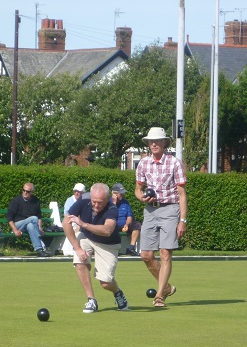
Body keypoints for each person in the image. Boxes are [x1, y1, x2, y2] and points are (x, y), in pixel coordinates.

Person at [135, 127, 187, 308]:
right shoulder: (142, 164)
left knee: (165, 253)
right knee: (146, 255)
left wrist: (183, 220)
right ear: (148, 144)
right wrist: (141, 197)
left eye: (157, 141)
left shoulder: (174, 163)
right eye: (151, 141)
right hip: (150, 210)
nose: (154, 144)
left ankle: (159, 297)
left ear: (165, 143)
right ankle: (166, 287)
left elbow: (182, 194)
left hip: (170, 210)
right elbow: (138, 189)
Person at [62, 183, 129, 313]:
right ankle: (91, 300)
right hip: (87, 237)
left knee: (105, 283)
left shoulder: (112, 209)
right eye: (94, 202)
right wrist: (78, 248)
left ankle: (117, 292)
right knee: (79, 262)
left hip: (108, 244)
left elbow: (107, 230)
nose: (96, 205)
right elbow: (66, 223)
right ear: (90, 197)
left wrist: (83, 224)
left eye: (100, 202)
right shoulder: (83, 201)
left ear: (107, 198)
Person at [6, 182, 52, 257]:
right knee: (33, 218)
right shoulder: (16, 200)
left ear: (32, 192)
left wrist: (40, 228)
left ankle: (39, 250)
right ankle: (43, 245)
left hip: (30, 225)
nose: (25, 192)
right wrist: (15, 230)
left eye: (27, 191)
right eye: (24, 190)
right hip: (18, 225)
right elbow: (9, 217)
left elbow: (39, 216)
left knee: (30, 225)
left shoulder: (35, 201)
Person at [111, 183, 141, 256]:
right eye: (120, 194)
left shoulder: (125, 202)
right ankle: (113, 249)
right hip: (114, 225)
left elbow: (129, 216)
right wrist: (114, 203)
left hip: (124, 225)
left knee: (137, 225)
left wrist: (127, 224)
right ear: (114, 194)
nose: (122, 195)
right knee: (111, 226)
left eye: (123, 193)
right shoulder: (108, 202)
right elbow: (110, 214)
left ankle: (131, 248)